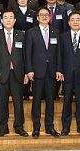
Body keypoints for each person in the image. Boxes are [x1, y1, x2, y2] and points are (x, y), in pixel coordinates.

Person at [0, 10, 29, 137]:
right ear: (1, 21)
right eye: (6, 17)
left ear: (15, 20)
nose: (8, 20)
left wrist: (26, 73)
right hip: (1, 74)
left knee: (18, 102)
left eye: (11, 17)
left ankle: (19, 127)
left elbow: (25, 56)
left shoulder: (21, 35)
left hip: (18, 73)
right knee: (2, 102)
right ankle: (3, 127)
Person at [26, 7, 61, 137]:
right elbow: (27, 53)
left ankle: (49, 127)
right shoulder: (31, 32)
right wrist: (29, 70)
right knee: (36, 101)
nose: (45, 17)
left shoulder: (55, 31)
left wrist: (59, 69)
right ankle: (36, 127)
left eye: (47, 15)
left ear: (50, 17)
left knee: (50, 101)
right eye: (42, 15)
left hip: (51, 71)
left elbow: (58, 53)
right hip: (37, 72)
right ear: (37, 18)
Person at [59, 12, 80, 136]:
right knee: (67, 101)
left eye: (78, 19)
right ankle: (65, 127)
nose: (75, 22)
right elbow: (59, 56)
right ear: (69, 22)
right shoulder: (63, 37)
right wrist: (60, 70)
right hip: (67, 74)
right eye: (73, 19)